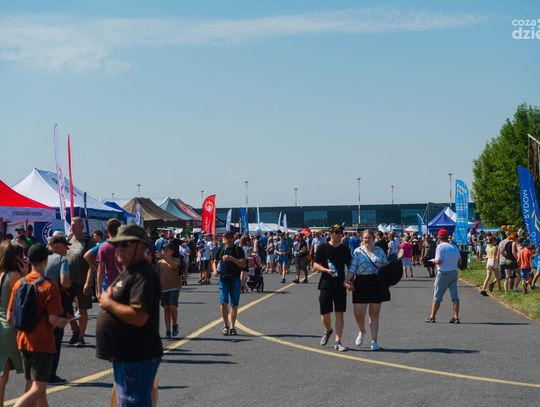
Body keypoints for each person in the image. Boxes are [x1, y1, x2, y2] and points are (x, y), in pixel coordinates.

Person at [96, 225, 162, 407]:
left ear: (141, 247)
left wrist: (108, 303)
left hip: (136, 355)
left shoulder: (142, 274)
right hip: (126, 355)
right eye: (116, 244)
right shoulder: (130, 271)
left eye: (125, 244)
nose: (119, 248)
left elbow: (139, 316)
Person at [7, 244, 68, 407]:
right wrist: (63, 321)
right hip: (42, 342)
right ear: (45, 260)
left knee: (32, 384)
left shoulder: (19, 283)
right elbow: (53, 319)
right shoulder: (50, 286)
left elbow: (10, 317)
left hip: (23, 340)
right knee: (39, 387)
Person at [345, 229, 389, 351]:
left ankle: (374, 341)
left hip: (376, 283)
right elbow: (352, 269)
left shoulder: (380, 251)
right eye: (365, 237)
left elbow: (386, 266)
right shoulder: (358, 251)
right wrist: (346, 280)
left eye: (369, 237)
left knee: (374, 313)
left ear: (374, 238)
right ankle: (362, 330)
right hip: (361, 282)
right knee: (358, 313)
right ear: (362, 239)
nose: (367, 239)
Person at [313, 224, 352, 352]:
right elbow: (315, 265)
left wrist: (349, 280)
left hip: (340, 285)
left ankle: (338, 341)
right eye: (336, 232)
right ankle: (328, 330)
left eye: (341, 232)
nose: (339, 234)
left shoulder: (345, 249)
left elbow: (350, 267)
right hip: (325, 284)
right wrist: (326, 270)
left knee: (339, 313)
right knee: (325, 313)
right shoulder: (322, 247)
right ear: (330, 233)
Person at [0, 242, 27, 404]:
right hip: (10, 329)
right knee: (32, 374)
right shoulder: (14, 276)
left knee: (2, 372)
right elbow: (24, 300)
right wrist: (25, 275)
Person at [44, 234, 72, 384]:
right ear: (56, 246)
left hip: (38, 303)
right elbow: (65, 282)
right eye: (65, 245)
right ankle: (51, 374)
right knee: (55, 339)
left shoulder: (40, 258)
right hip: (55, 304)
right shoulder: (62, 260)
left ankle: (39, 372)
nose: (67, 248)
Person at [66, 217, 95, 347]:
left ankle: (81, 337)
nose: (71, 227)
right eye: (71, 225)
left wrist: (88, 281)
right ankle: (75, 329)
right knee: (65, 308)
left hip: (82, 281)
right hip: (68, 281)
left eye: (74, 225)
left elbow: (92, 265)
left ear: (81, 226)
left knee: (82, 309)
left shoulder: (88, 241)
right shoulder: (70, 240)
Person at [212, 231, 246, 336]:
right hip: (223, 279)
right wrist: (215, 270)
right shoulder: (221, 249)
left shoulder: (238, 249)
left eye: (230, 237)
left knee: (234, 304)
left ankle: (232, 327)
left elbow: (243, 264)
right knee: (223, 302)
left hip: (235, 279)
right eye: (226, 237)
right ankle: (226, 325)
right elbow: (214, 261)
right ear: (224, 239)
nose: (229, 239)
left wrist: (231, 258)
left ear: (233, 238)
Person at [425, 229, 461, 324]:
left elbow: (439, 261)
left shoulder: (440, 247)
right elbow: (459, 261)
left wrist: (433, 261)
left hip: (443, 273)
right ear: (447, 237)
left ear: (439, 237)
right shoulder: (454, 246)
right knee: (455, 296)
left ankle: (432, 316)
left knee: (437, 296)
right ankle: (456, 316)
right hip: (453, 272)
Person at [156, 243, 182, 338]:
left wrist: (164, 257)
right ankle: (168, 331)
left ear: (172, 251)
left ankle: (174, 324)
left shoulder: (176, 260)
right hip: (163, 288)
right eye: (164, 250)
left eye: (167, 250)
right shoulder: (159, 263)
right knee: (166, 308)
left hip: (174, 287)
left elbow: (174, 266)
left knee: (172, 307)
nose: (165, 252)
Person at [96, 218, 123, 298]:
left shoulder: (103, 247)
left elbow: (100, 270)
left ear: (107, 230)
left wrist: (99, 291)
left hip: (111, 286)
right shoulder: (128, 245)